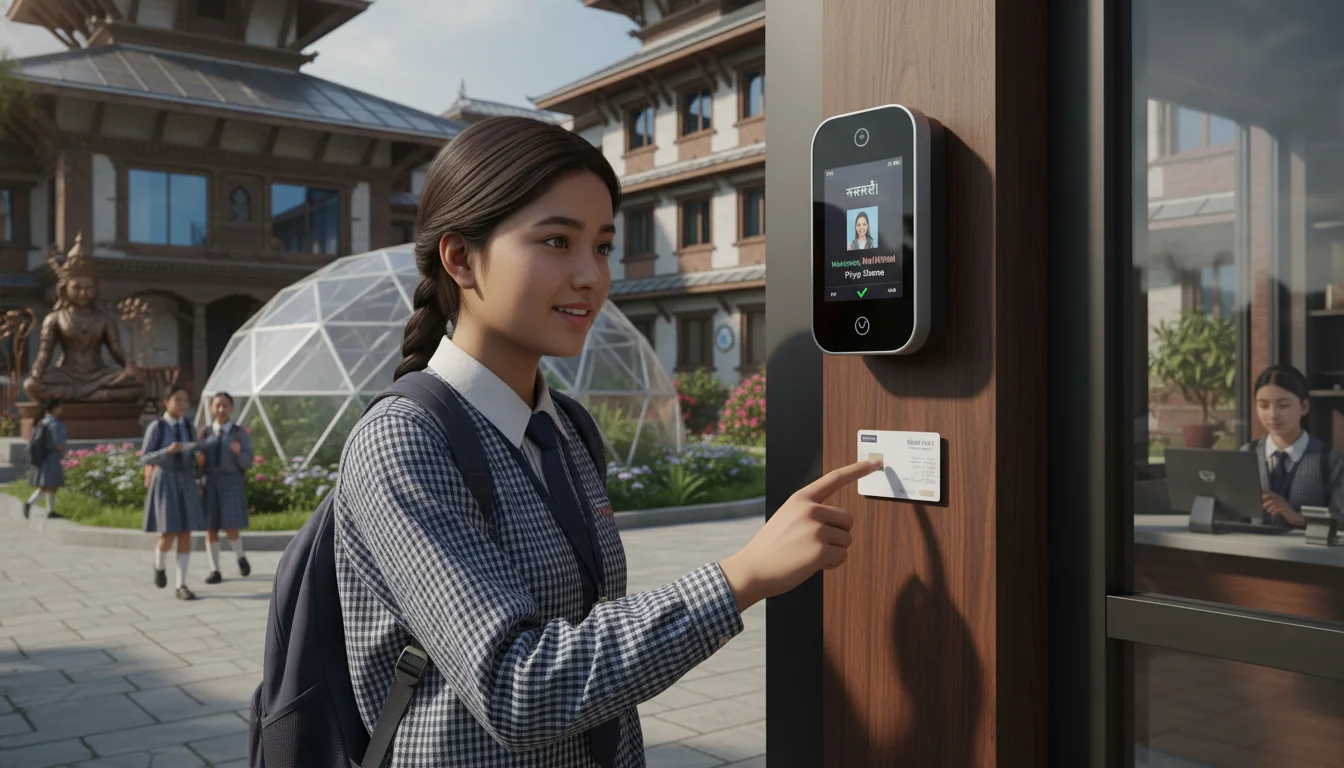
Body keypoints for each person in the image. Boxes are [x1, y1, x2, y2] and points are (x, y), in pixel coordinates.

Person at [333, 115, 880, 767]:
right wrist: (741, 576)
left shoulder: (565, 428)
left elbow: (595, 660)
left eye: (602, 247)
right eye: (557, 242)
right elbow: (517, 687)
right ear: (460, 258)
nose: (592, 277)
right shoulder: (403, 440)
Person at [1241, 364, 1344, 527]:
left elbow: (1341, 519)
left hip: (1310, 552)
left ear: (1304, 407)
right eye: (1263, 405)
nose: (1272, 415)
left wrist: (1298, 518)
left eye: (1283, 405)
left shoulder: (1329, 459)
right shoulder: (1246, 455)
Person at [140, 384, 205, 600]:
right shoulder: (157, 427)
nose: (183, 405)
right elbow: (145, 457)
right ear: (166, 401)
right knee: (168, 533)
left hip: (186, 479)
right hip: (165, 479)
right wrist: (167, 452)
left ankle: (182, 585)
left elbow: (195, 450)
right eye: (178, 400)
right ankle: (159, 565)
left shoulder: (188, 425)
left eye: (186, 400)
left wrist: (196, 455)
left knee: (186, 532)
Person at [198, 391, 252, 584]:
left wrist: (238, 454)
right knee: (210, 528)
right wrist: (199, 461)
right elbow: (197, 462)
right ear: (211, 408)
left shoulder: (238, 433)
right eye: (217, 405)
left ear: (231, 408)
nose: (221, 410)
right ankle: (215, 570)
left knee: (231, 527)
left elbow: (248, 462)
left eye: (225, 406)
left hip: (231, 481)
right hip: (211, 483)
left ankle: (240, 557)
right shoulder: (205, 433)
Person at [23, 398, 66, 520]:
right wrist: (61, 448)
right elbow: (58, 442)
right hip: (52, 456)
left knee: (50, 485)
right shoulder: (54, 424)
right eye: (59, 407)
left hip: (43, 457)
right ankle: (30, 503)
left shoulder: (41, 423)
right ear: (54, 409)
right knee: (48, 485)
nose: (61, 409)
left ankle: (50, 511)